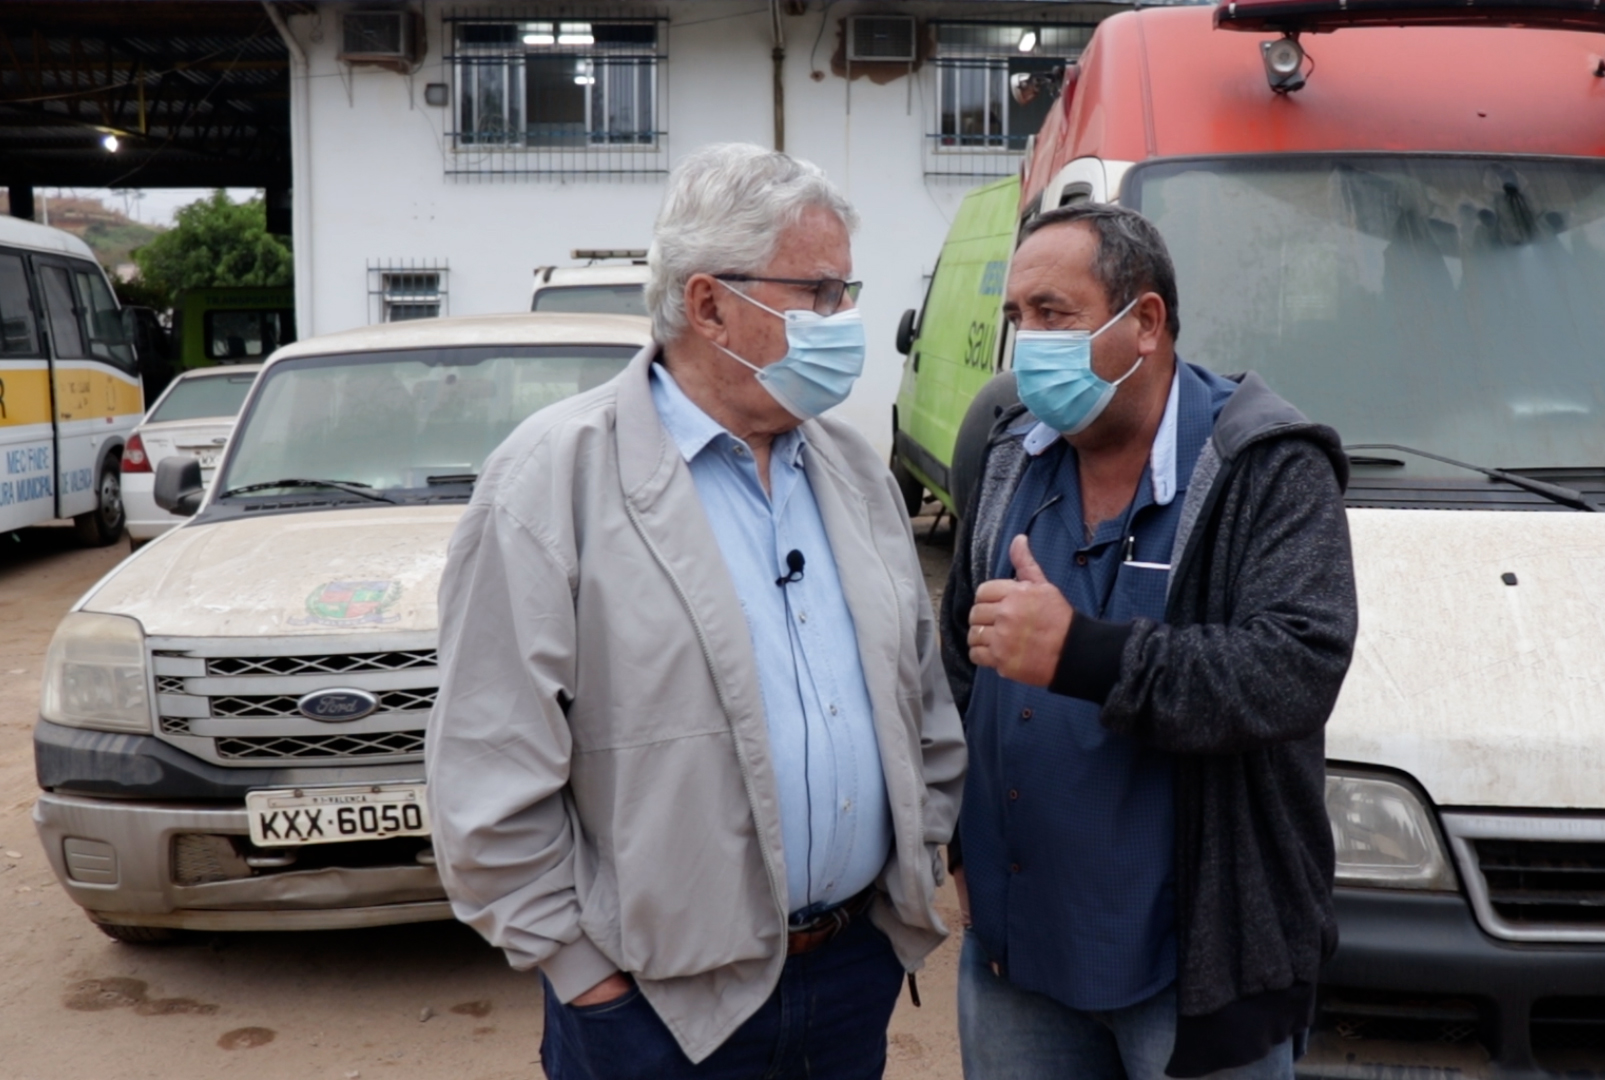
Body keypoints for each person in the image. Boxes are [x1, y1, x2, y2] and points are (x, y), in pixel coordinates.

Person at [427, 143, 966, 1080]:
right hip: (655, 1015)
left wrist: (901, 892)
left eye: (848, 292)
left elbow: (919, 706)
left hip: (848, 977)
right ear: (710, 304)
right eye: (822, 294)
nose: (847, 321)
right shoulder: (553, 480)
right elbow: (486, 771)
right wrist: (581, 971)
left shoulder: (852, 474)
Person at [942, 203, 1357, 1080]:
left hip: (1192, 971)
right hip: (1018, 957)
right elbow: (956, 660)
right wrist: (954, 837)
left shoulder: (1267, 465)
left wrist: (1081, 654)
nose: (1030, 345)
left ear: (1146, 323)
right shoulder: (1011, 455)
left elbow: (1295, 668)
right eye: (1018, 319)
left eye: (1055, 314)